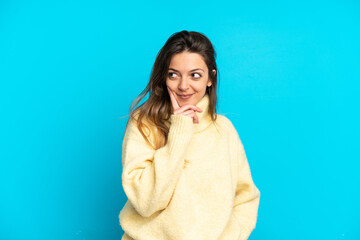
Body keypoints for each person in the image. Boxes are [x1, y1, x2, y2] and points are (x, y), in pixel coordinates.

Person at [118, 30, 260, 240]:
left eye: (195, 75)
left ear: (210, 78)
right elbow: (146, 202)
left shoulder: (224, 129)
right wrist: (179, 131)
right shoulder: (144, 123)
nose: (183, 86)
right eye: (173, 74)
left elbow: (245, 196)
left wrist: (234, 234)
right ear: (164, 77)